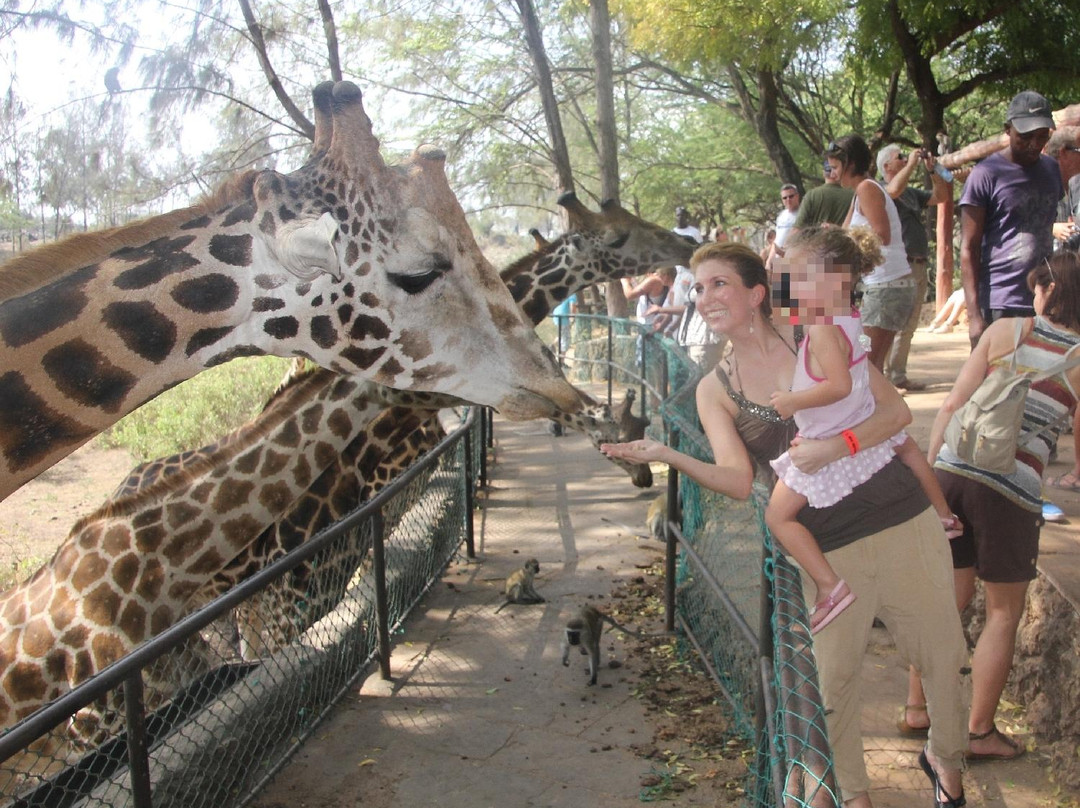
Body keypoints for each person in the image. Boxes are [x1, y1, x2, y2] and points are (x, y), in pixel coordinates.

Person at [602, 241, 968, 808]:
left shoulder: (813, 335)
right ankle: (852, 795)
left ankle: (946, 758)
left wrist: (834, 445)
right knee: (831, 687)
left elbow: (895, 414)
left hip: (900, 516)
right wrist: (664, 453)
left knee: (943, 657)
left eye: (718, 283)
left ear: (755, 293)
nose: (704, 297)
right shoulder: (713, 390)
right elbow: (738, 480)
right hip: (824, 547)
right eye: (697, 288)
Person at [902, 251, 1080, 763]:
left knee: (944, 599)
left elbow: (955, 402)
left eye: (1037, 288)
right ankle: (978, 731)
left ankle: (918, 707)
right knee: (1003, 612)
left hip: (953, 473)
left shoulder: (1007, 332)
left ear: (1048, 291)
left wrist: (934, 478)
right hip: (1010, 488)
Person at [764, 227, 961, 633]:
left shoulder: (822, 327)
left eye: (795, 276)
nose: (786, 285)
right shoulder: (846, 316)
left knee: (777, 517)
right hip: (844, 422)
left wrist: (792, 401)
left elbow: (837, 385)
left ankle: (829, 586)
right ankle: (942, 517)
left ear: (828, 282)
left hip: (826, 436)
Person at [959, 90, 1062, 350]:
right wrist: (974, 317)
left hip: (1043, 298)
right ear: (1008, 130)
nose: (1033, 144)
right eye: (1025, 136)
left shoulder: (1051, 169)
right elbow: (969, 248)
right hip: (1000, 300)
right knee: (997, 383)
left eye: (1041, 136)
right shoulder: (985, 175)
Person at [828, 134, 918, 372]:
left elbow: (881, 235)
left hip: (887, 288)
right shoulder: (861, 191)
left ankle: (880, 408)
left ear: (850, 163)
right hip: (887, 287)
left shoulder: (867, 188)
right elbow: (845, 233)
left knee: (865, 363)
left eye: (836, 167)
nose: (833, 173)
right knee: (871, 363)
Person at [877, 144, 953, 391]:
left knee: (909, 325)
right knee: (893, 322)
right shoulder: (881, 189)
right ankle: (883, 377)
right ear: (886, 166)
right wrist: (911, 164)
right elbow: (893, 190)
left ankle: (897, 375)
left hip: (918, 264)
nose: (905, 159)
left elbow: (940, 197)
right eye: (899, 157)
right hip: (899, 264)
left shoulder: (910, 192)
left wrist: (933, 171)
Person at [793, 159, 855, 230]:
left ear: (823, 173)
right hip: (844, 239)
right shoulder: (853, 195)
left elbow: (797, 228)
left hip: (818, 239)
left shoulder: (812, 195)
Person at [765, 184, 800, 270]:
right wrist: (769, 260)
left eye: (791, 196)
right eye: (785, 198)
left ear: (797, 196)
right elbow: (777, 240)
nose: (788, 199)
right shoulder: (781, 216)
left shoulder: (803, 214)